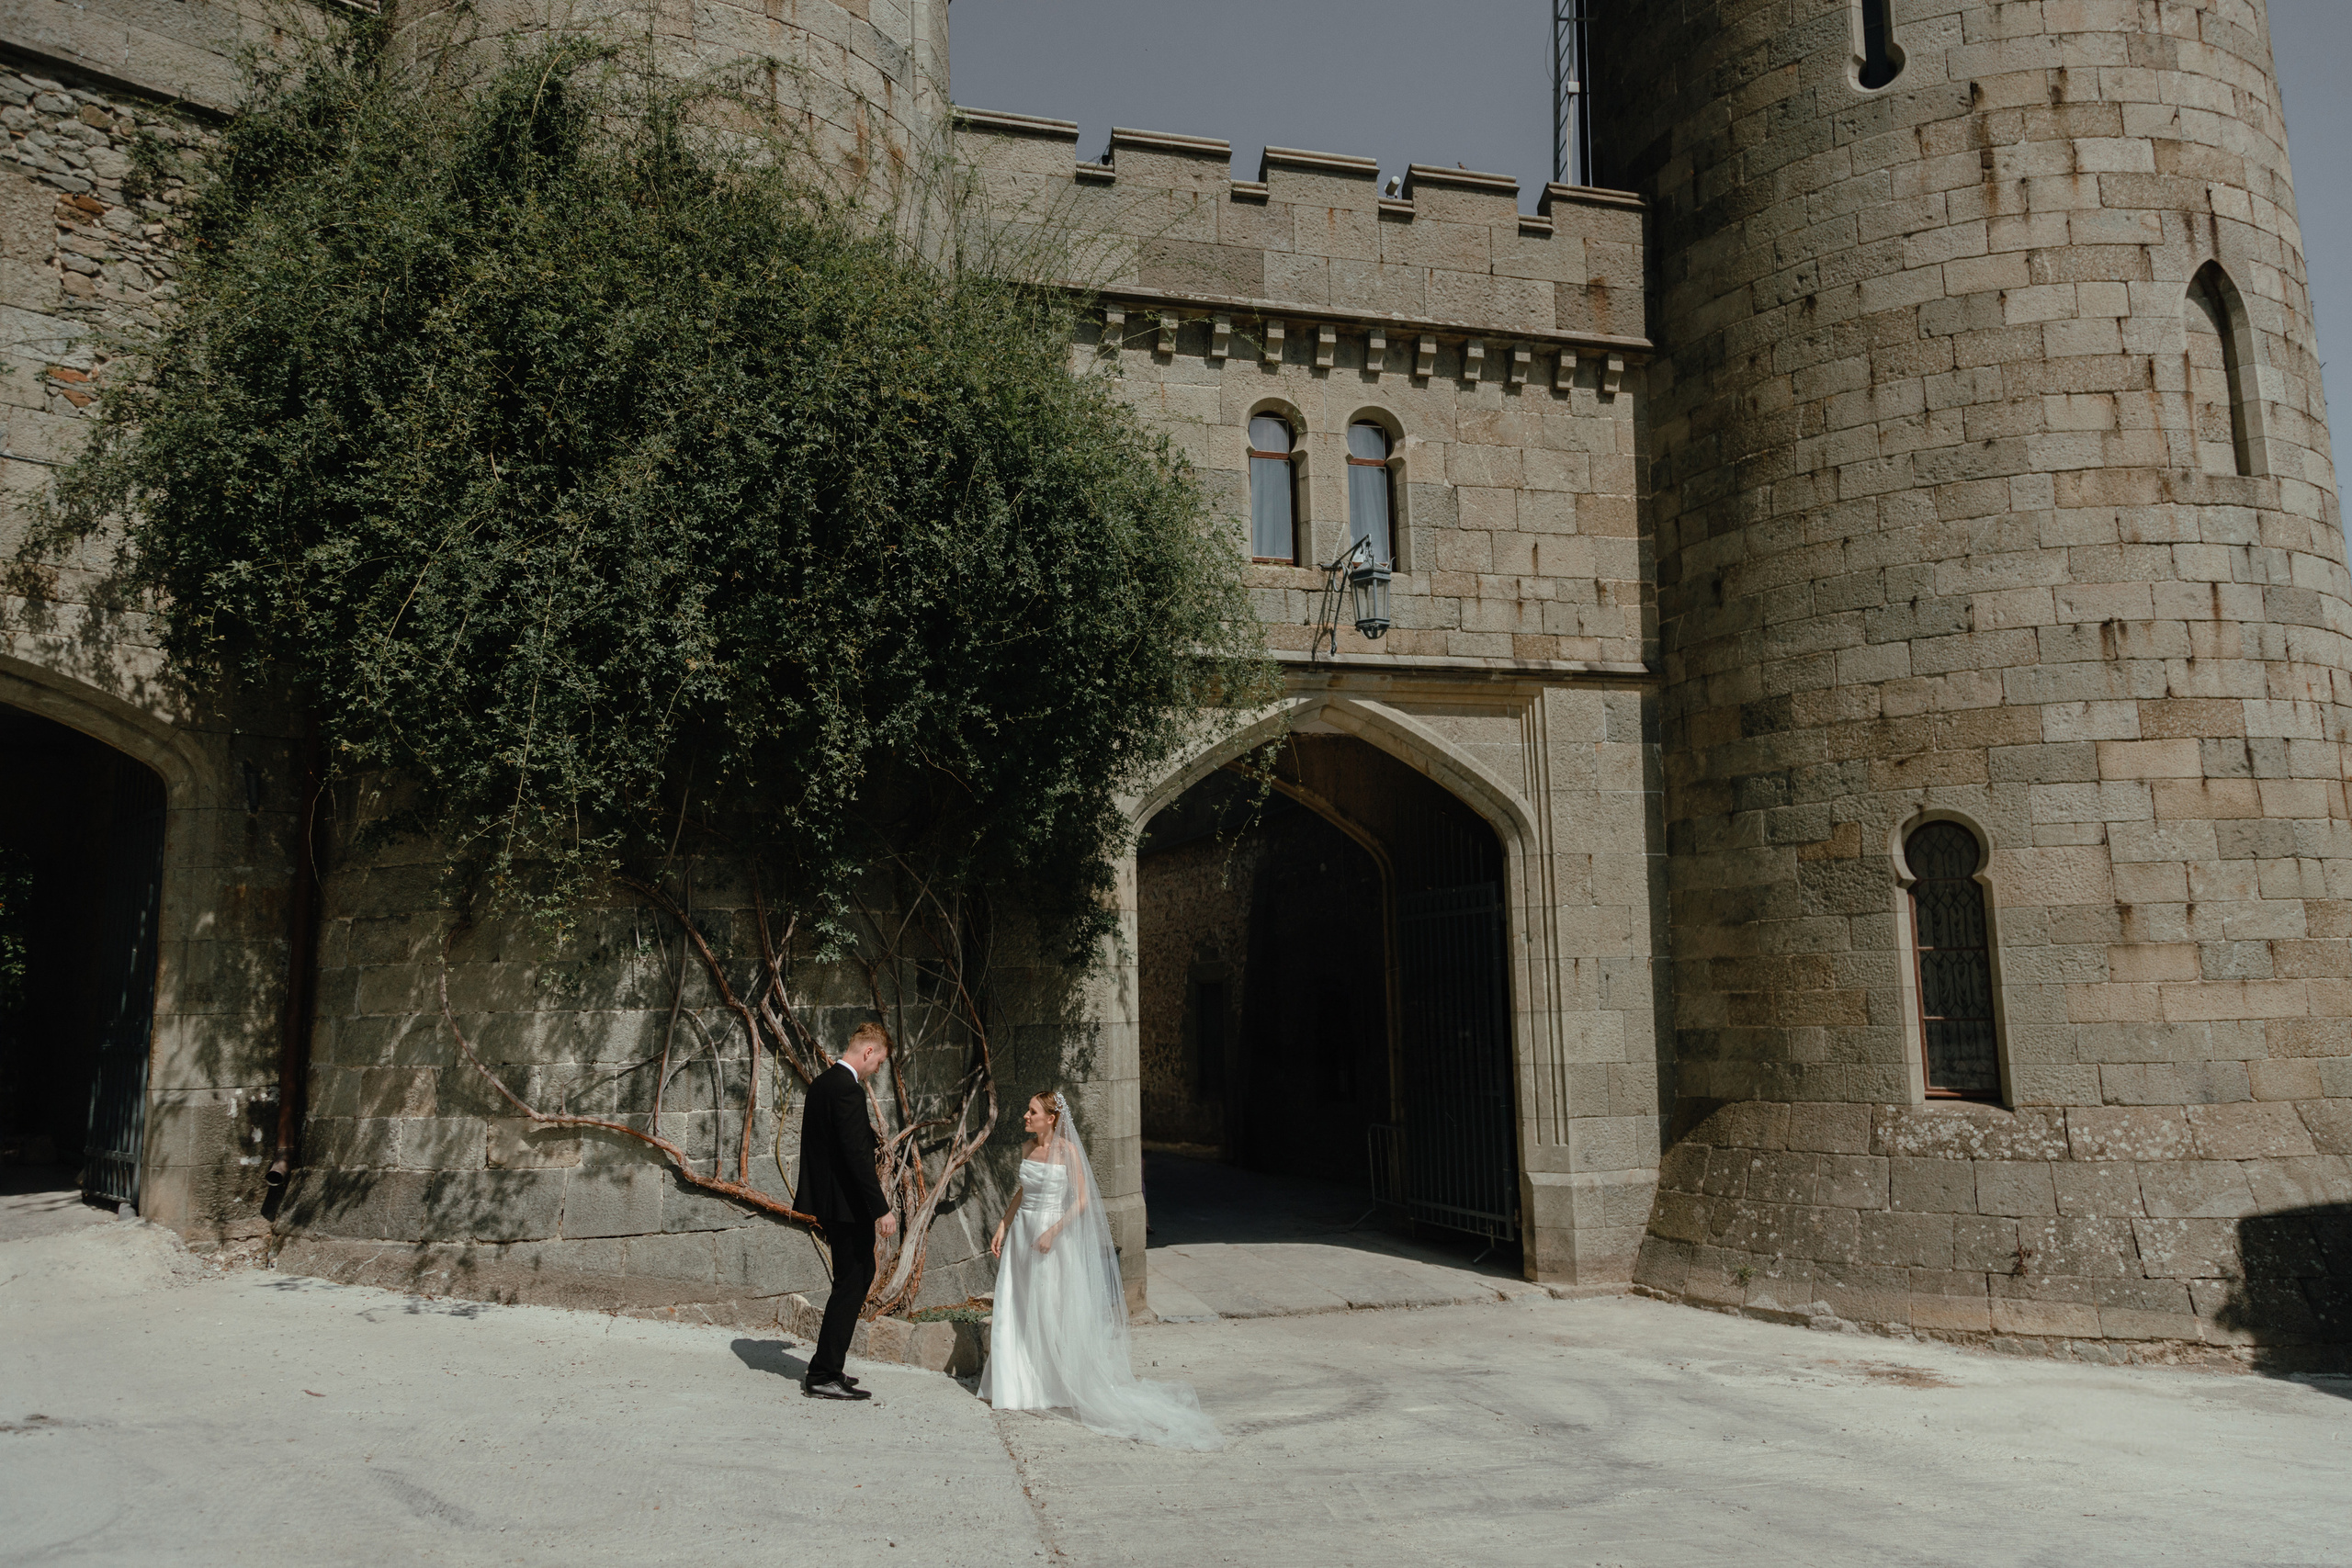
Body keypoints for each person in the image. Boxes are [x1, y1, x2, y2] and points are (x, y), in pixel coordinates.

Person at [978, 1089, 1222, 1450]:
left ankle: (1055, 1383)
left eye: (1032, 1112)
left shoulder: (1069, 1152)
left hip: (1050, 1235)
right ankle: (1017, 1383)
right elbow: (1023, 1189)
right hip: (1021, 1234)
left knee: (1048, 1307)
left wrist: (1052, 1231)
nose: (1025, 1117)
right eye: (1027, 1111)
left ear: (1051, 1118)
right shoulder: (1028, 1149)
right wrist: (1003, 1223)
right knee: (1018, 1304)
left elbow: (1081, 1200)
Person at [796, 1021, 899, 1401]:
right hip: (848, 1207)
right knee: (852, 1283)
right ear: (868, 1051)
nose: (878, 1070)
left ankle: (828, 1366)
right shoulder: (847, 1091)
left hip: (830, 1204)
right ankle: (823, 1373)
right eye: (880, 1062)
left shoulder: (822, 1084)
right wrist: (881, 1209)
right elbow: (856, 1156)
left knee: (853, 1279)